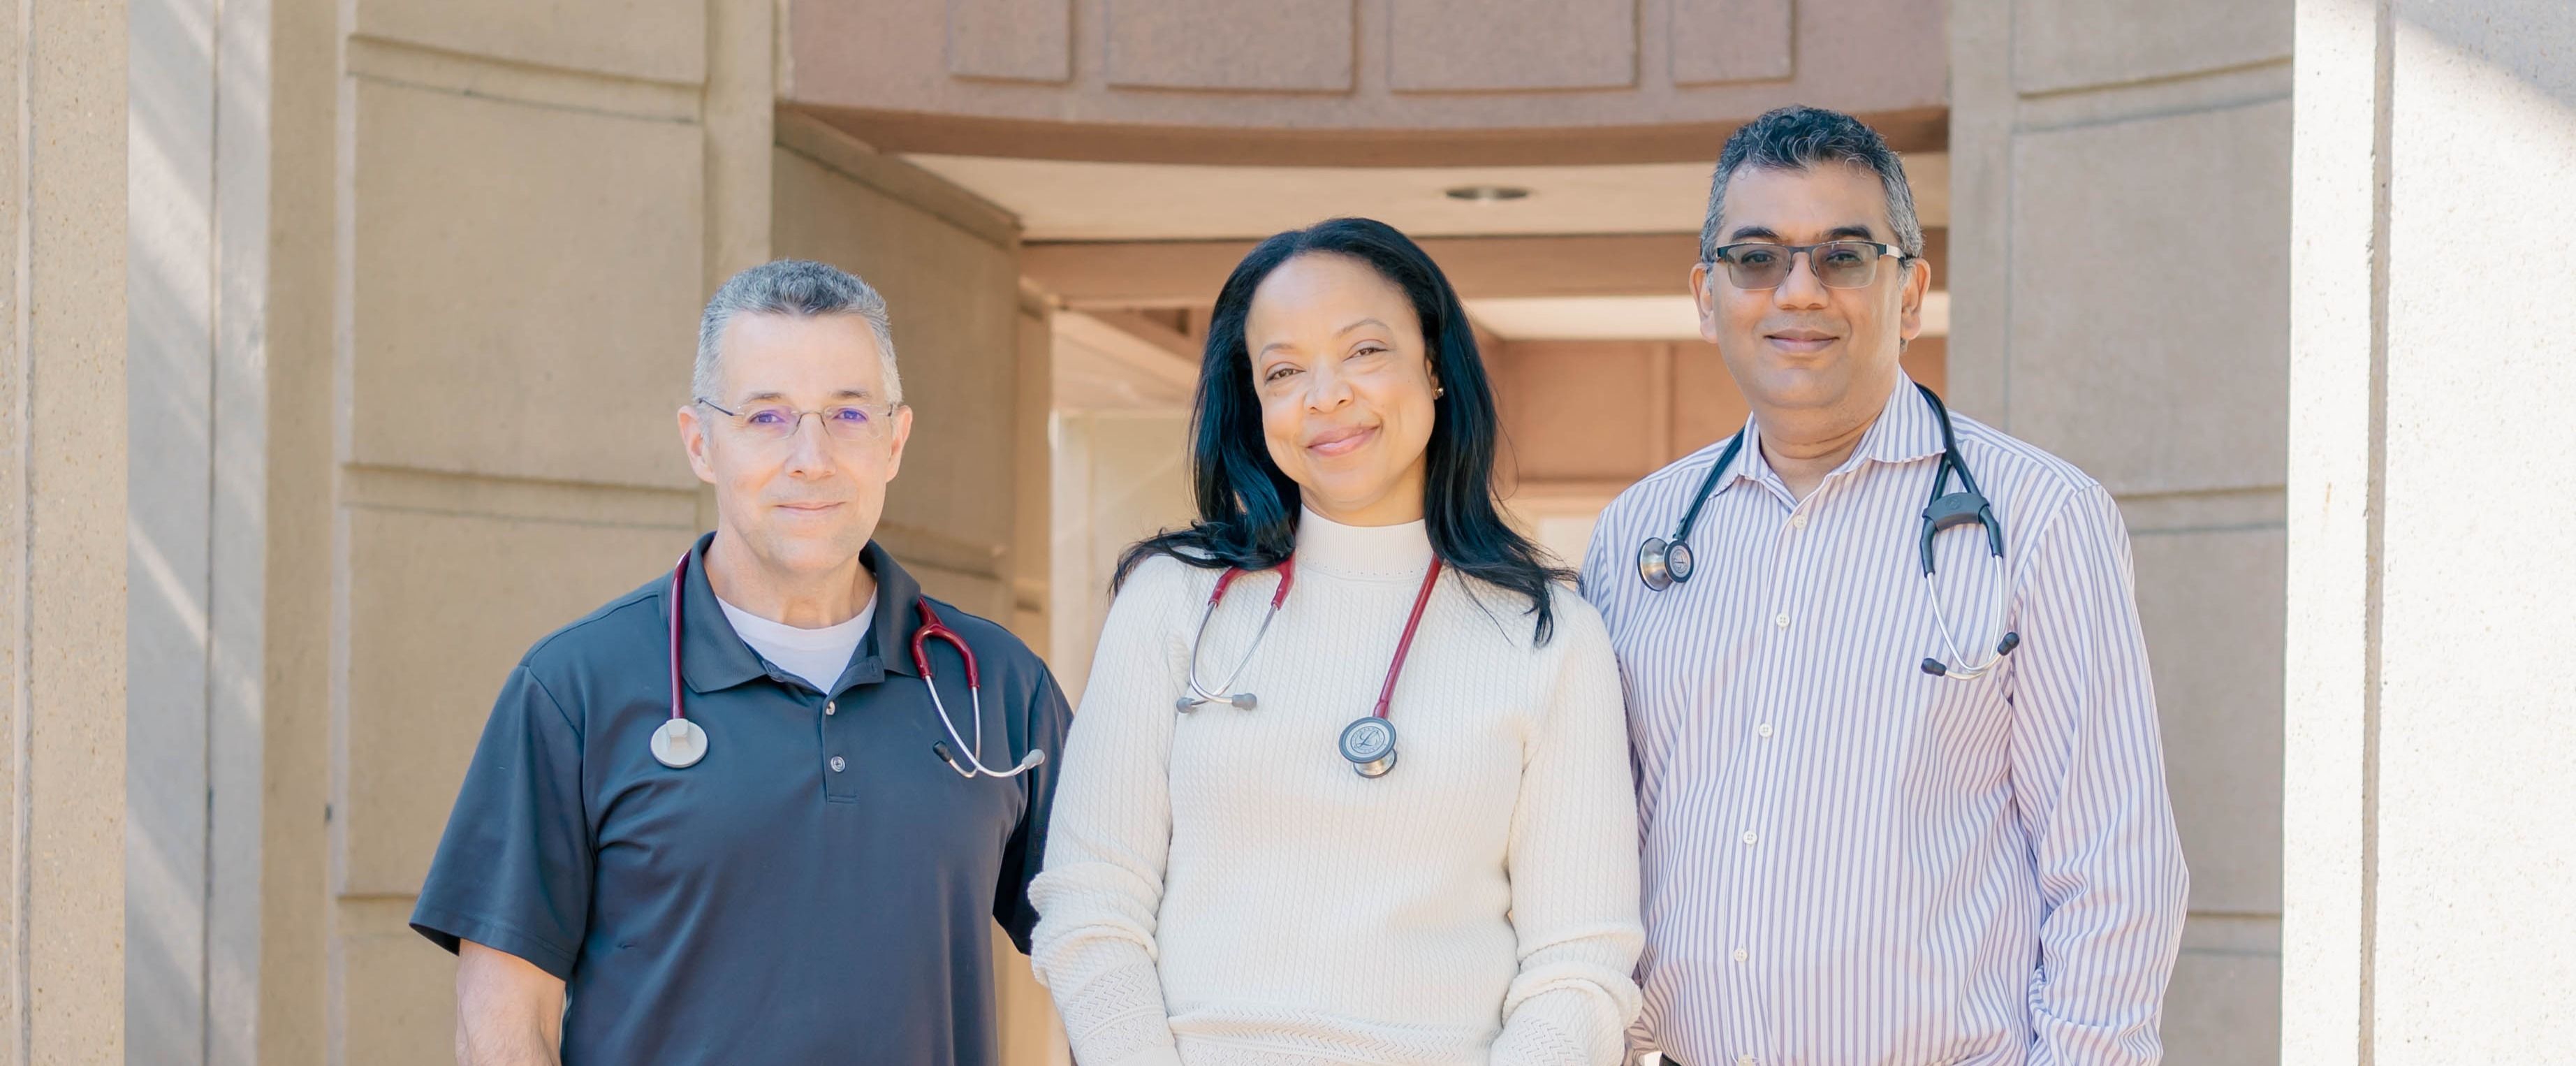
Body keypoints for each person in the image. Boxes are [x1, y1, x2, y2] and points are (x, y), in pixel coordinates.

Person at [1578, 105, 2190, 1066]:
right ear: (1707, 295)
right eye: (1756, 258)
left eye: (1845, 256)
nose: (1799, 291)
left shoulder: (2039, 517)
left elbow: (2114, 867)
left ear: (1909, 294)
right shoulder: (1636, 539)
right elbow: (1596, 858)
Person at [410, 259, 1071, 1065]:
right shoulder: (574, 690)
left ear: (895, 439)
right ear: (700, 442)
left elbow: (1105, 955)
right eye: (766, 417)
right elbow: (504, 1018)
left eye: (849, 413)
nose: (811, 457)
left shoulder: (993, 682)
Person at [1030, 218, 1644, 1066]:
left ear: (1432, 365)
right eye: (1283, 370)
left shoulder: (1551, 635)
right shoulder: (1173, 598)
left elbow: (1579, 965)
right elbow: (1091, 905)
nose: (1325, 396)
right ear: (1255, 402)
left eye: (1363, 351)